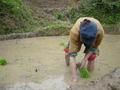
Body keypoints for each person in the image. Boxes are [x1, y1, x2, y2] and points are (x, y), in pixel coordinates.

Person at [64, 17, 104, 82]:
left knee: (92, 57)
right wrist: (74, 78)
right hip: (77, 35)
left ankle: (90, 77)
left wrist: (85, 59)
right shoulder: (74, 32)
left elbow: (94, 47)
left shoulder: (100, 32)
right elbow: (72, 55)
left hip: (93, 39)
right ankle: (68, 66)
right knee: (68, 53)